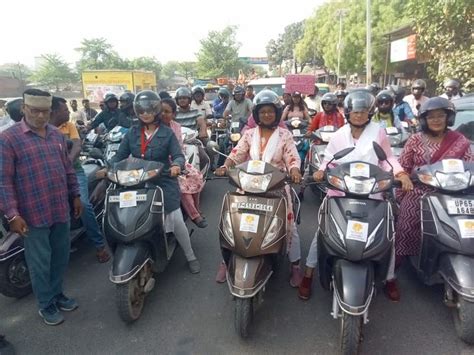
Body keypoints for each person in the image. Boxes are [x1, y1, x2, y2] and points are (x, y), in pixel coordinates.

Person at [298, 90, 413, 300]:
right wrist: (321, 170)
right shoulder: (339, 134)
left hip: (372, 192)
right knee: (323, 232)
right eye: (355, 112)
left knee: (387, 234)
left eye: (363, 112)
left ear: (369, 113)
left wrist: (401, 173)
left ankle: (389, 278)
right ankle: (308, 273)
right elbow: (329, 160)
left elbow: (388, 159)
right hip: (340, 190)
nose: (359, 116)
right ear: (348, 113)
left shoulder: (378, 133)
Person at [0, 89, 83, 325]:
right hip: (31, 214)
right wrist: (12, 214)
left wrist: (76, 195)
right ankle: (45, 304)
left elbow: (67, 168)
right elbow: (3, 181)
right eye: (34, 111)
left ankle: (57, 294)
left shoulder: (57, 135)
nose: (40, 116)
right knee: (39, 263)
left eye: (44, 111)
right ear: (24, 109)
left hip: (59, 208)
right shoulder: (8, 139)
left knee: (60, 257)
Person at [385, 97, 472, 301]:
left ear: (448, 117)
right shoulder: (415, 140)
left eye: (440, 116)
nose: (436, 120)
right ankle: (390, 276)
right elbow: (402, 166)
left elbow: (470, 166)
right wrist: (403, 177)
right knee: (404, 231)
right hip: (419, 192)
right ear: (424, 120)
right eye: (431, 117)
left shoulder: (461, 141)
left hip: (453, 194)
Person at [215, 90, 303, 287]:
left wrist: (295, 170)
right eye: (262, 112)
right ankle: (226, 260)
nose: (266, 115)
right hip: (248, 185)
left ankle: (295, 265)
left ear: (277, 113)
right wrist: (225, 165)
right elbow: (237, 154)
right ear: (256, 115)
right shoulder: (248, 134)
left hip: (277, 187)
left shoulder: (285, 135)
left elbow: (292, 158)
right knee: (232, 220)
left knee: (290, 227)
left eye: (270, 112)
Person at [111, 91, 200, 273]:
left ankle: (190, 256)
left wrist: (176, 165)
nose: (145, 114)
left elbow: (177, 155)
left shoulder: (167, 133)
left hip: (164, 180)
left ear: (156, 110)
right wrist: (108, 168)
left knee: (175, 219)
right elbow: (119, 156)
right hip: (136, 181)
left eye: (149, 110)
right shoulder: (132, 133)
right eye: (141, 110)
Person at [50, 96, 110, 263]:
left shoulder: (69, 126)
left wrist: (67, 162)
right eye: (64, 110)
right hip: (52, 175)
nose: (68, 112)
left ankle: (99, 245)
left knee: (83, 204)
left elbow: (77, 144)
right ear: (54, 111)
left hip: (74, 172)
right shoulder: (43, 129)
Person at [160, 98, 207, 228]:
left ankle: (197, 208)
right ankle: (194, 215)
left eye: (167, 111)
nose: (163, 114)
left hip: (176, 161)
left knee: (197, 176)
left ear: (174, 114)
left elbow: (178, 147)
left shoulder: (176, 126)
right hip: (159, 163)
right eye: (161, 111)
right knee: (182, 185)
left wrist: (177, 163)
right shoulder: (153, 127)